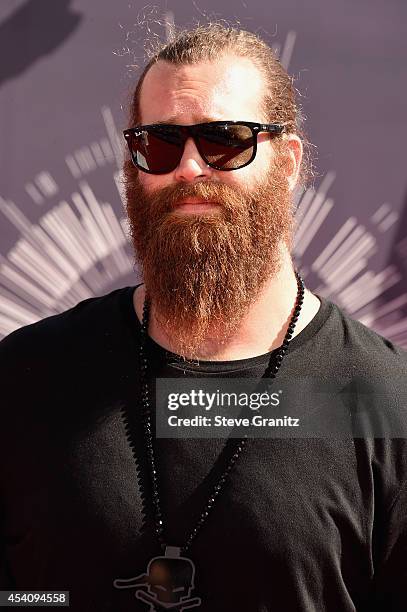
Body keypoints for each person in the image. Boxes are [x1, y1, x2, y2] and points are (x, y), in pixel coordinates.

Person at [1, 23, 407, 612]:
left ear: (288, 162)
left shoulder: (386, 402)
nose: (190, 168)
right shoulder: (26, 378)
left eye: (225, 140)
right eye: (160, 144)